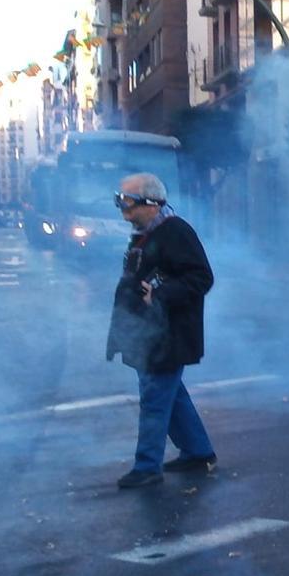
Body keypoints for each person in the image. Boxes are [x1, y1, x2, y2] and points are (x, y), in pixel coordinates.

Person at [105, 173, 217, 488]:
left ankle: (147, 466)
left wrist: (161, 294)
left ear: (152, 203)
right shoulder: (147, 232)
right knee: (172, 395)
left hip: (167, 335)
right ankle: (198, 451)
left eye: (128, 201)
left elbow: (201, 277)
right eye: (120, 200)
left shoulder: (175, 231)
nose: (123, 209)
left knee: (154, 400)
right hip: (148, 333)